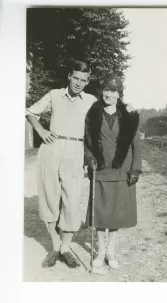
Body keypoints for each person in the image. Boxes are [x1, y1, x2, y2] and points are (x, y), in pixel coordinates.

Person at [26, 61, 134, 269]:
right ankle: (55, 246)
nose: (78, 83)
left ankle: (66, 248)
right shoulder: (54, 95)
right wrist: (40, 130)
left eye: (83, 80)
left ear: (87, 82)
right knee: (49, 197)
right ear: (69, 76)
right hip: (52, 147)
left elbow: (111, 107)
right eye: (76, 78)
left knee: (72, 200)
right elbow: (31, 112)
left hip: (76, 150)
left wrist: (127, 106)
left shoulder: (91, 100)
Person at [84, 75, 142, 269]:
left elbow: (136, 146)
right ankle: (100, 252)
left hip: (121, 170)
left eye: (113, 90)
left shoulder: (129, 115)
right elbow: (87, 141)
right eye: (106, 90)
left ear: (120, 94)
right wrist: (90, 158)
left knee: (115, 214)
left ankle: (111, 252)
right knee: (100, 214)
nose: (108, 94)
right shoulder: (93, 113)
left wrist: (135, 168)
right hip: (100, 169)